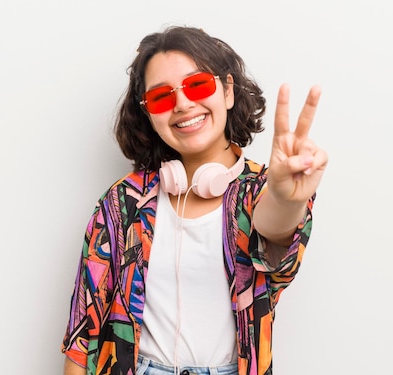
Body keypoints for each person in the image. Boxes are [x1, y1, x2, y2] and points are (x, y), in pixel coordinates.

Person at [61, 26, 327, 375]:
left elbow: (276, 243)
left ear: (228, 91)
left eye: (197, 85)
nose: (183, 104)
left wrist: (283, 197)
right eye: (161, 97)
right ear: (149, 115)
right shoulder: (122, 202)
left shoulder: (260, 191)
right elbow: (83, 335)